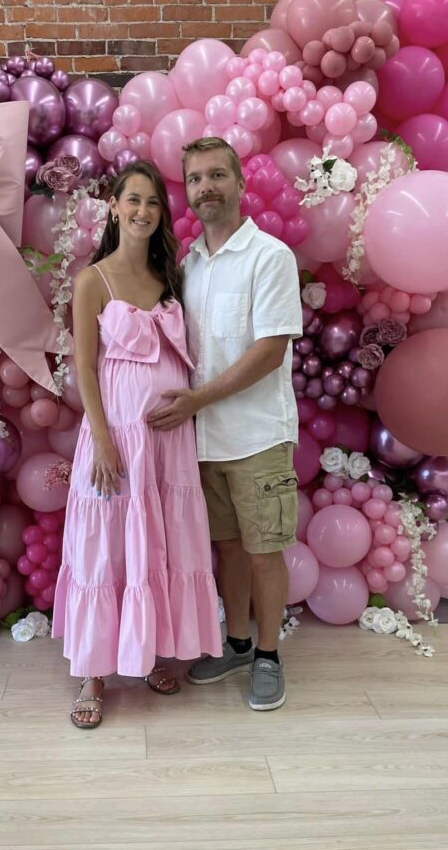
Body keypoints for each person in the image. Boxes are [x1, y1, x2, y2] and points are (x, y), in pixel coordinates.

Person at [52, 160, 222, 729]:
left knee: (161, 543)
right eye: (134, 201)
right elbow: (84, 367)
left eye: (153, 203)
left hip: (168, 439)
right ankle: (93, 673)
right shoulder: (92, 281)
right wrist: (100, 437)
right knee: (107, 543)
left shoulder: (170, 278)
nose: (143, 212)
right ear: (114, 207)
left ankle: (148, 653)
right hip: (116, 434)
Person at [147, 137, 302, 711]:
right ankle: (236, 642)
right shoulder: (188, 266)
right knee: (229, 551)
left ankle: (268, 655)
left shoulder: (270, 257)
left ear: (240, 185)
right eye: (195, 179)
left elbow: (269, 351)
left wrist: (195, 400)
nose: (206, 186)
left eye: (217, 175)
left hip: (258, 435)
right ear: (186, 192)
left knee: (264, 550)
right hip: (204, 442)